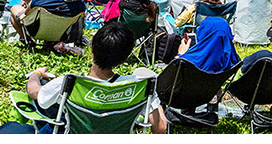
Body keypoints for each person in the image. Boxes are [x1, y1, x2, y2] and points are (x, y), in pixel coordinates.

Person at [19, 22, 167, 132]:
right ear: (125, 58)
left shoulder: (69, 83)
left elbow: (34, 93)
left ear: (92, 49)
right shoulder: (140, 86)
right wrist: (155, 101)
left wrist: (36, 74)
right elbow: (160, 128)